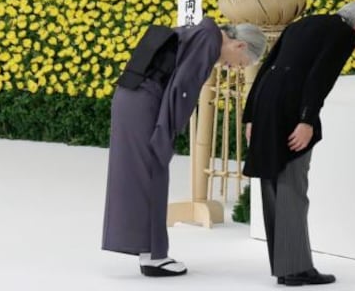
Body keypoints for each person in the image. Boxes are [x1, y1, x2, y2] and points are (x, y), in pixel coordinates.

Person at [102, 17, 266, 277]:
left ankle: (147, 251)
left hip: (131, 95)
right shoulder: (209, 40)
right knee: (153, 174)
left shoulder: (203, 32)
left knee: (137, 175)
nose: (232, 68)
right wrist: (166, 132)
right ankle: (154, 257)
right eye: (240, 64)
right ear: (240, 45)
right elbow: (183, 89)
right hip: (144, 101)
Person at [243, 1, 355, 286]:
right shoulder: (344, 34)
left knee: (272, 182)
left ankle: (286, 267)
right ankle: (296, 269)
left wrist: (251, 115)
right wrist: (306, 120)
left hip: (266, 101)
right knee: (292, 184)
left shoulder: (302, 24)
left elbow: (267, 66)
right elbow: (320, 78)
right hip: (291, 108)